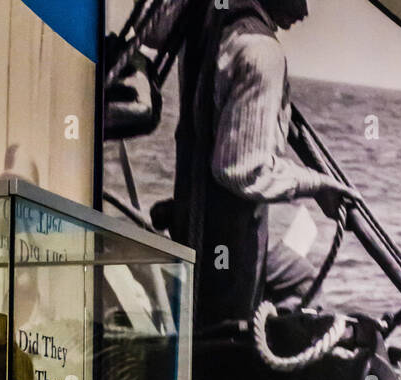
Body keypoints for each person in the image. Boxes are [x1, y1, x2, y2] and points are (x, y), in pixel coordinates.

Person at [111, 0, 358, 327]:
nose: (305, 14)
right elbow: (241, 171)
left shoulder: (206, 30)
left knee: (296, 278)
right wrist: (318, 186)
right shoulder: (262, 52)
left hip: (194, 228)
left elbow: (154, 28)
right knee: (289, 298)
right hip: (225, 255)